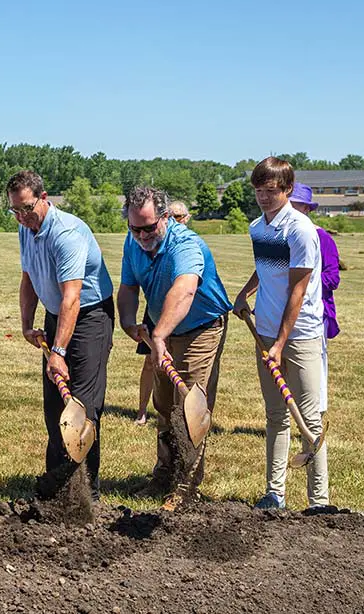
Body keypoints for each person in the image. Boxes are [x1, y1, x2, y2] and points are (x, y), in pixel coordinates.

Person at [117, 187, 232, 502]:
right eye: (134, 228)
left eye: (149, 227)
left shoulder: (186, 244)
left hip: (200, 327)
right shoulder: (134, 242)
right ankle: (163, 476)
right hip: (164, 329)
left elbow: (184, 290)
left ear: (166, 217)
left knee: (189, 407)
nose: (141, 235)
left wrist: (158, 335)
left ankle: (186, 486)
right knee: (164, 405)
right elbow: (128, 287)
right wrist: (129, 322)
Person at [10, 169, 114, 499]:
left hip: (89, 319)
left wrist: (58, 352)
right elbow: (29, 279)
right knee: (55, 406)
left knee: (81, 407)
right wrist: (27, 324)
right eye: (15, 210)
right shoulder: (26, 229)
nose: (22, 216)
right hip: (58, 316)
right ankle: (56, 488)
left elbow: (73, 296)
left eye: (27, 208)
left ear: (44, 199)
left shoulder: (66, 233)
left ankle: (85, 493)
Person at [233, 157, 329, 511]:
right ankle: (274, 494)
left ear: (287, 190)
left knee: (309, 418)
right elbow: (266, 268)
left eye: (270, 191)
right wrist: (246, 292)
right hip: (267, 330)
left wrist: (279, 344)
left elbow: (298, 291)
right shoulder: (258, 227)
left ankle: (319, 501)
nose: (263, 197)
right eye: (258, 191)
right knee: (276, 416)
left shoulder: (301, 230)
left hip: (300, 335)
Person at [135, 201, 192, 425]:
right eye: (174, 215)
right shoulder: (147, 242)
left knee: (179, 363)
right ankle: (142, 411)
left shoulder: (184, 242)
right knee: (151, 361)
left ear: (186, 218)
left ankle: (182, 415)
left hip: (182, 312)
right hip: (156, 310)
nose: (177, 220)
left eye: (181, 216)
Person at [289, 183, 340, 417]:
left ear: (307, 209)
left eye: (294, 206)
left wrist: (303, 281)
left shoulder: (321, 237)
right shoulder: (282, 234)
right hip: (283, 310)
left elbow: (332, 277)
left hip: (313, 312)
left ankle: (315, 415)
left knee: (314, 368)